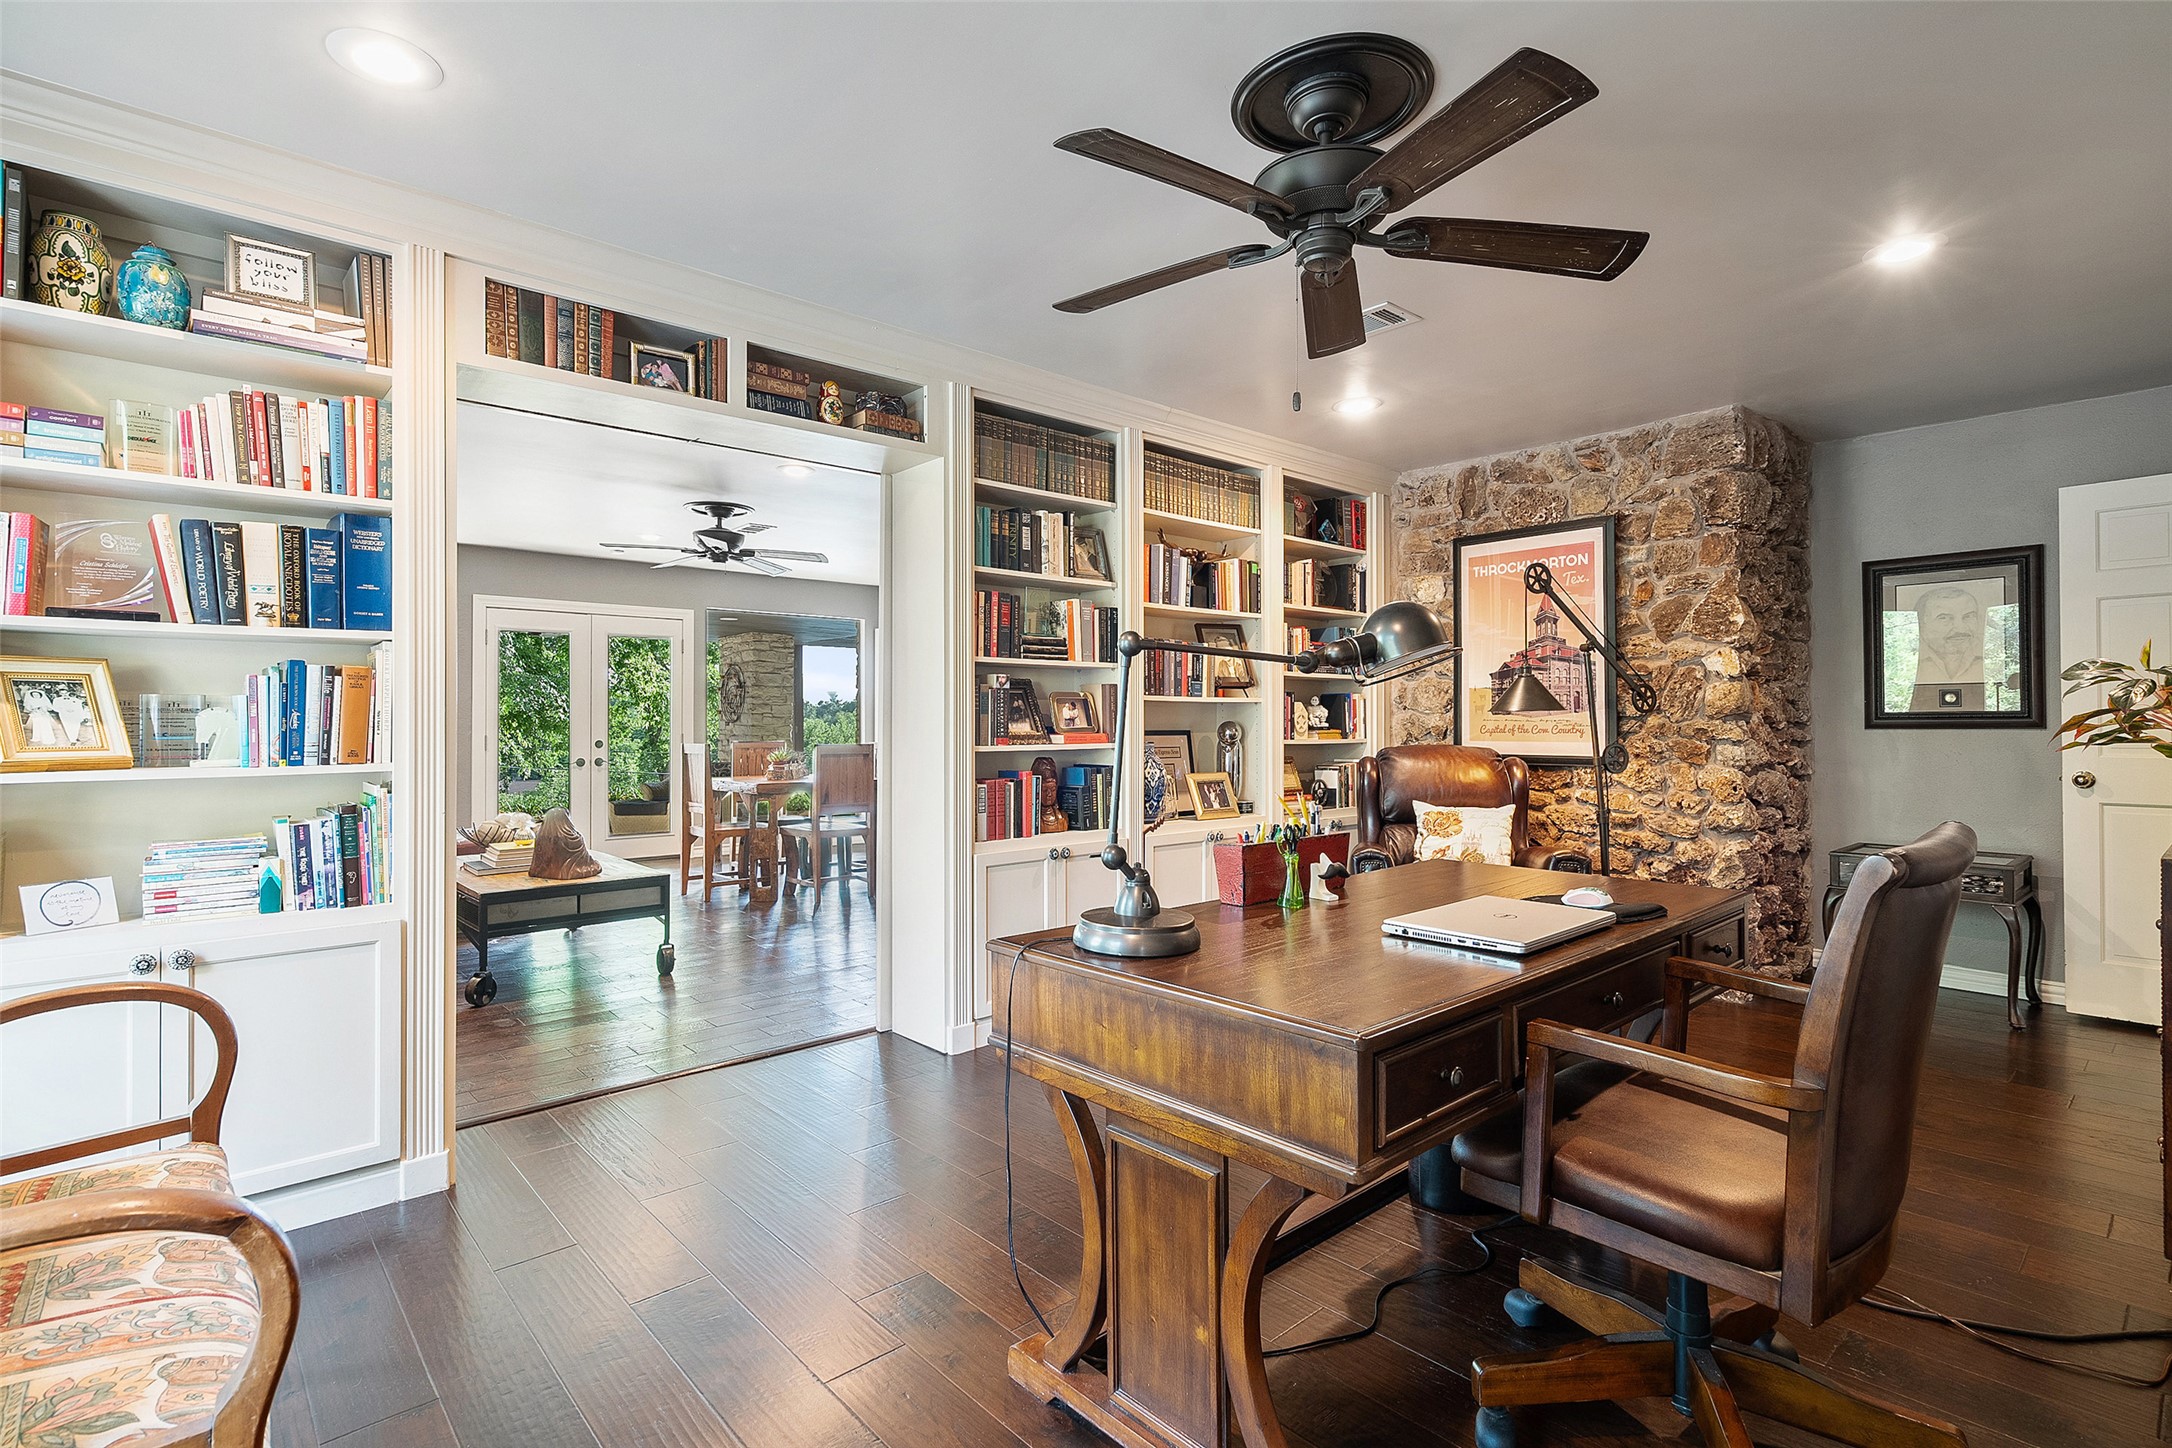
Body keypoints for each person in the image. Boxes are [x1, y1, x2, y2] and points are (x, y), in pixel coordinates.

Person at [1908, 584, 1985, 710]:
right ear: (1922, 624)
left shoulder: (1992, 664)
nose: (1960, 628)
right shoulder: (1905, 667)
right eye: (1944, 618)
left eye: (1968, 616)